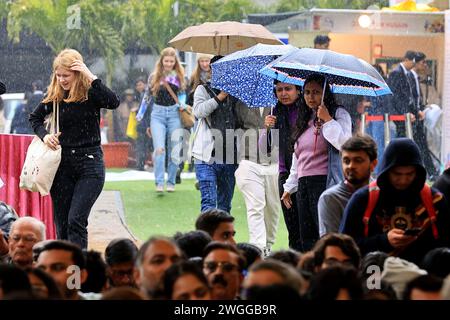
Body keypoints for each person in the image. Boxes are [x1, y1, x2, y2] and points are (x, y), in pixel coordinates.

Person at [29, 48, 120, 249]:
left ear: (77, 73)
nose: (62, 79)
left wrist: (90, 75)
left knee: (76, 221)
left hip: (90, 163)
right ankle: (63, 270)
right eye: (58, 75)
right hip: (61, 165)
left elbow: (113, 102)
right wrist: (45, 136)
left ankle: (78, 273)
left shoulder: (91, 92)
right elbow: (34, 118)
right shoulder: (55, 96)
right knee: (61, 225)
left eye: (66, 75)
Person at [340, 138, 450, 264]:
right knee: (373, 282)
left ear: (418, 172)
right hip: (374, 275)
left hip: (421, 278)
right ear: (386, 172)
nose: (403, 180)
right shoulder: (363, 199)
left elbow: (446, 244)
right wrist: (384, 241)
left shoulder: (434, 201)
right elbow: (345, 246)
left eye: (409, 174)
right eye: (397, 174)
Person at [281, 74, 352, 251]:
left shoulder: (338, 113)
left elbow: (345, 145)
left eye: (316, 92)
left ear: (325, 93)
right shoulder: (304, 118)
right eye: (306, 92)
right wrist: (289, 187)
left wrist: (328, 120)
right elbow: (299, 158)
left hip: (324, 183)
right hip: (303, 184)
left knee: (325, 235)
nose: (310, 97)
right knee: (307, 236)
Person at [191, 55, 243, 213]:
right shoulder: (203, 89)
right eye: (217, 69)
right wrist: (219, 97)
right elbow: (198, 112)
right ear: (211, 71)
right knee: (208, 201)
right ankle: (206, 237)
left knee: (224, 205)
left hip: (230, 155)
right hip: (206, 155)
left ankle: (222, 237)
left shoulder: (238, 93)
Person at [234, 100, 280, 256]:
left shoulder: (280, 101)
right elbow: (236, 123)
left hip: (274, 160)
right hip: (248, 159)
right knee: (255, 205)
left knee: (272, 208)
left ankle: (268, 245)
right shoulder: (242, 99)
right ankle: (258, 248)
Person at [263, 81, 302, 251]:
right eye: (279, 90)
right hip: (284, 173)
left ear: (298, 90)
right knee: (292, 228)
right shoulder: (275, 112)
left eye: (288, 89)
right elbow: (265, 148)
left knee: (307, 228)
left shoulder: (307, 111)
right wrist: (268, 128)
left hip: (306, 173)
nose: (284, 93)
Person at [140, 47, 185, 192]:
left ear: (175, 62)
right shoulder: (154, 76)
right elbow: (147, 96)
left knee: (174, 150)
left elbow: (183, 94)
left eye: (171, 61)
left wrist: (183, 105)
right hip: (157, 114)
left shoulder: (179, 76)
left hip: (174, 114)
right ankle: (159, 182)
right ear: (162, 61)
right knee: (159, 149)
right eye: (166, 61)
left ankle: (171, 181)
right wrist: (140, 114)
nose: (169, 63)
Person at [318, 135, 378, 236]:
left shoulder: (382, 193)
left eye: (358, 160)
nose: (351, 166)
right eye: (346, 161)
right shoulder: (331, 198)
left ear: (373, 164)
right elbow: (332, 245)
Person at [409, 52, 438, 179]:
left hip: (418, 117)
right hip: (412, 118)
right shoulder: (409, 77)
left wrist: (423, 108)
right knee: (419, 146)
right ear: (416, 62)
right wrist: (414, 111)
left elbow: (416, 99)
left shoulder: (416, 79)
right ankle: (430, 172)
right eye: (423, 63)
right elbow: (408, 98)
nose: (425, 65)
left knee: (422, 145)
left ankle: (430, 172)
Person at [386, 51, 417, 137]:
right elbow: (395, 96)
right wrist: (405, 112)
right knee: (400, 137)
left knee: (405, 137)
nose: (414, 65)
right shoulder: (397, 73)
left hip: (404, 111)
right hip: (398, 113)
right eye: (413, 62)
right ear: (406, 60)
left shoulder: (407, 73)